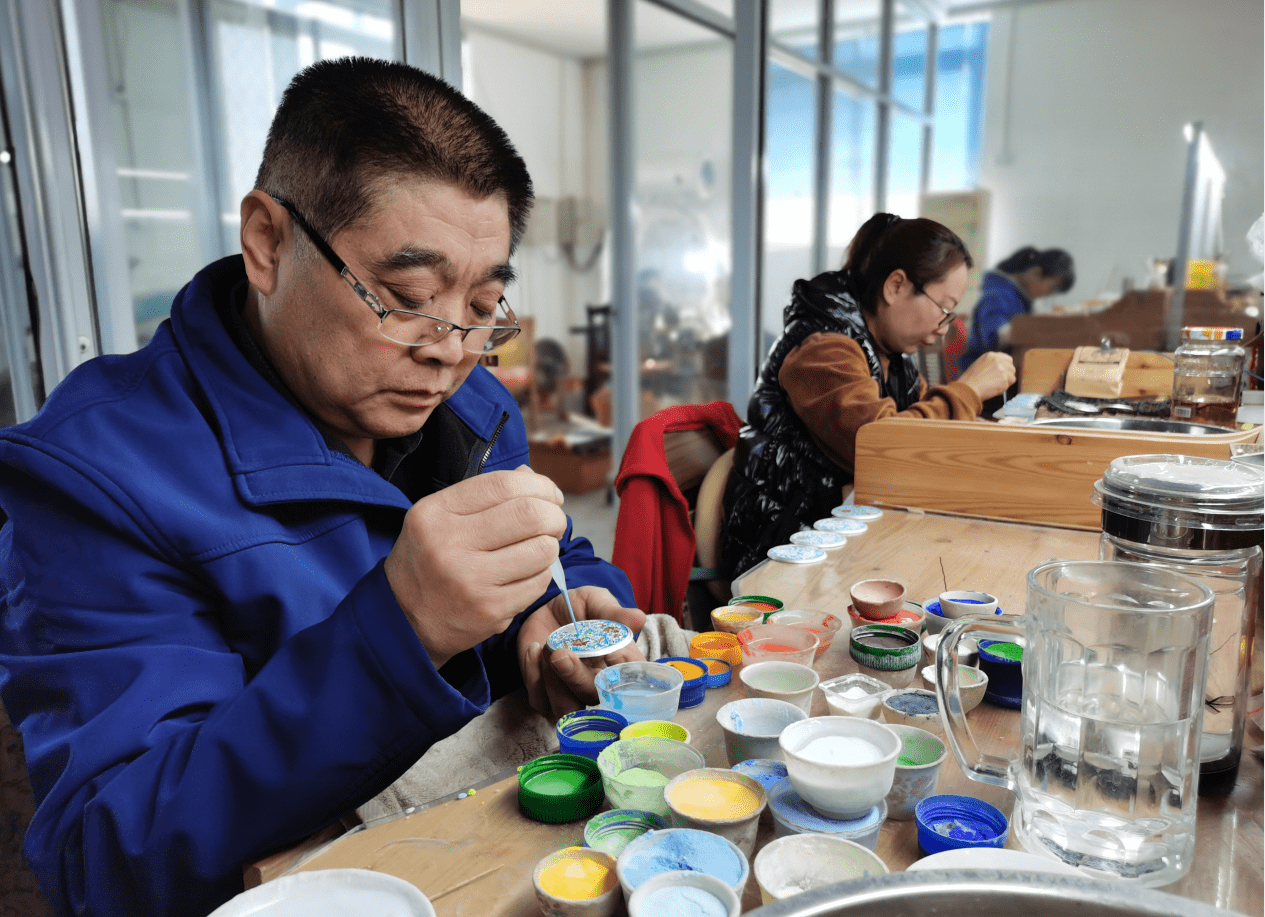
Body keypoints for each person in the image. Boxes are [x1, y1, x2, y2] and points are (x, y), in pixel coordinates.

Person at [0, 57, 645, 917]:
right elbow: (110, 856)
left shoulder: (473, 403)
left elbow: (561, 550)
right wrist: (401, 628)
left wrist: (566, 612)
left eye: (483, 303)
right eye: (407, 295)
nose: (449, 348)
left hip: (500, 860)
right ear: (268, 242)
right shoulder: (96, 476)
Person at [720, 213, 1015, 578]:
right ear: (895, 287)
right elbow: (881, 447)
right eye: (943, 309)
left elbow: (930, 439)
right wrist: (968, 391)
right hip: (781, 548)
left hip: (837, 534)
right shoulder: (823, 349)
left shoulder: (894, 359)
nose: (943, 330)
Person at [959, 246, 1075, 372]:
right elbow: (997, 335)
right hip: (981, 373)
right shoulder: (997, 294)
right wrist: (1042, 323)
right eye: (1051, 289)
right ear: (1036, 273)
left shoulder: (1020, 298)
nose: (1048, 295)